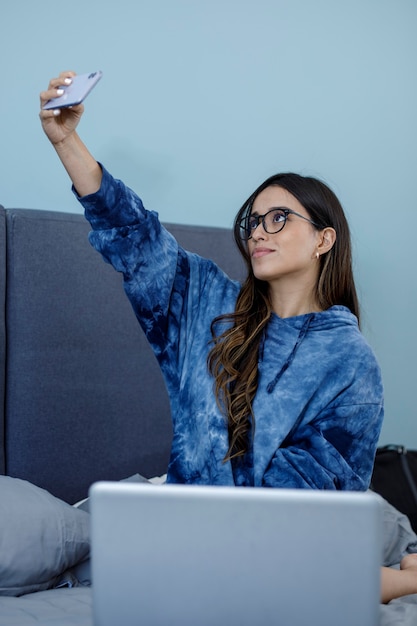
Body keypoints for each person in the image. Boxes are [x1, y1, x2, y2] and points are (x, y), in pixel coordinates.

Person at [39, 71, 416, 603]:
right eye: (253, 220)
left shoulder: (349, 361)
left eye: (279, 218)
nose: (259, 231)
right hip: (184, 543)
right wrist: (66, 141)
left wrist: (236, 548)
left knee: (312, 577)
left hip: (280, 559)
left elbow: (325, 508)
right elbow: (136, 239)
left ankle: (403, 576)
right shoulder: (209, 309)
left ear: (323, 239)